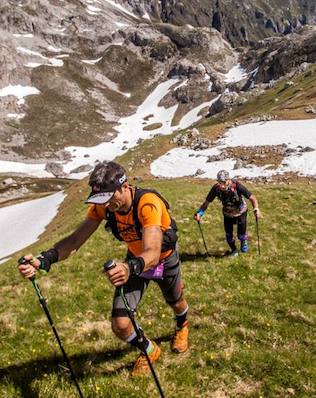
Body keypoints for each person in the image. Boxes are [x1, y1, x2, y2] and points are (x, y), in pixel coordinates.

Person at [18, 161, 189, 376]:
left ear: (124, 187)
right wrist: (45, 260)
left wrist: (129, 268)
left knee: (175, 301)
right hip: (133, 262)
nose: (107, 205)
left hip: (162, 261)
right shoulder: (103, 205)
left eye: (110, 198)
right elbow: (76, 239)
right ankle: (149, 349)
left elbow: (153, 252)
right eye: (102, 200)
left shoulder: (148, 203)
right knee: (120, 323)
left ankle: (183, 325)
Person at [194, 170, 261, 256]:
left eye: (224, 182)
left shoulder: (237, 186)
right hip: (227, 213)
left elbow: (252, 198)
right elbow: (206, 202)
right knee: (228, 235)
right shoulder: (216, 189)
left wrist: (256, 209)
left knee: (241, 233)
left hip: (241, 212)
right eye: (219, 182)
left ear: (228, 180)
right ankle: (234, 250)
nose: (222, 185)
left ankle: (243, 242)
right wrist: (200, 213)